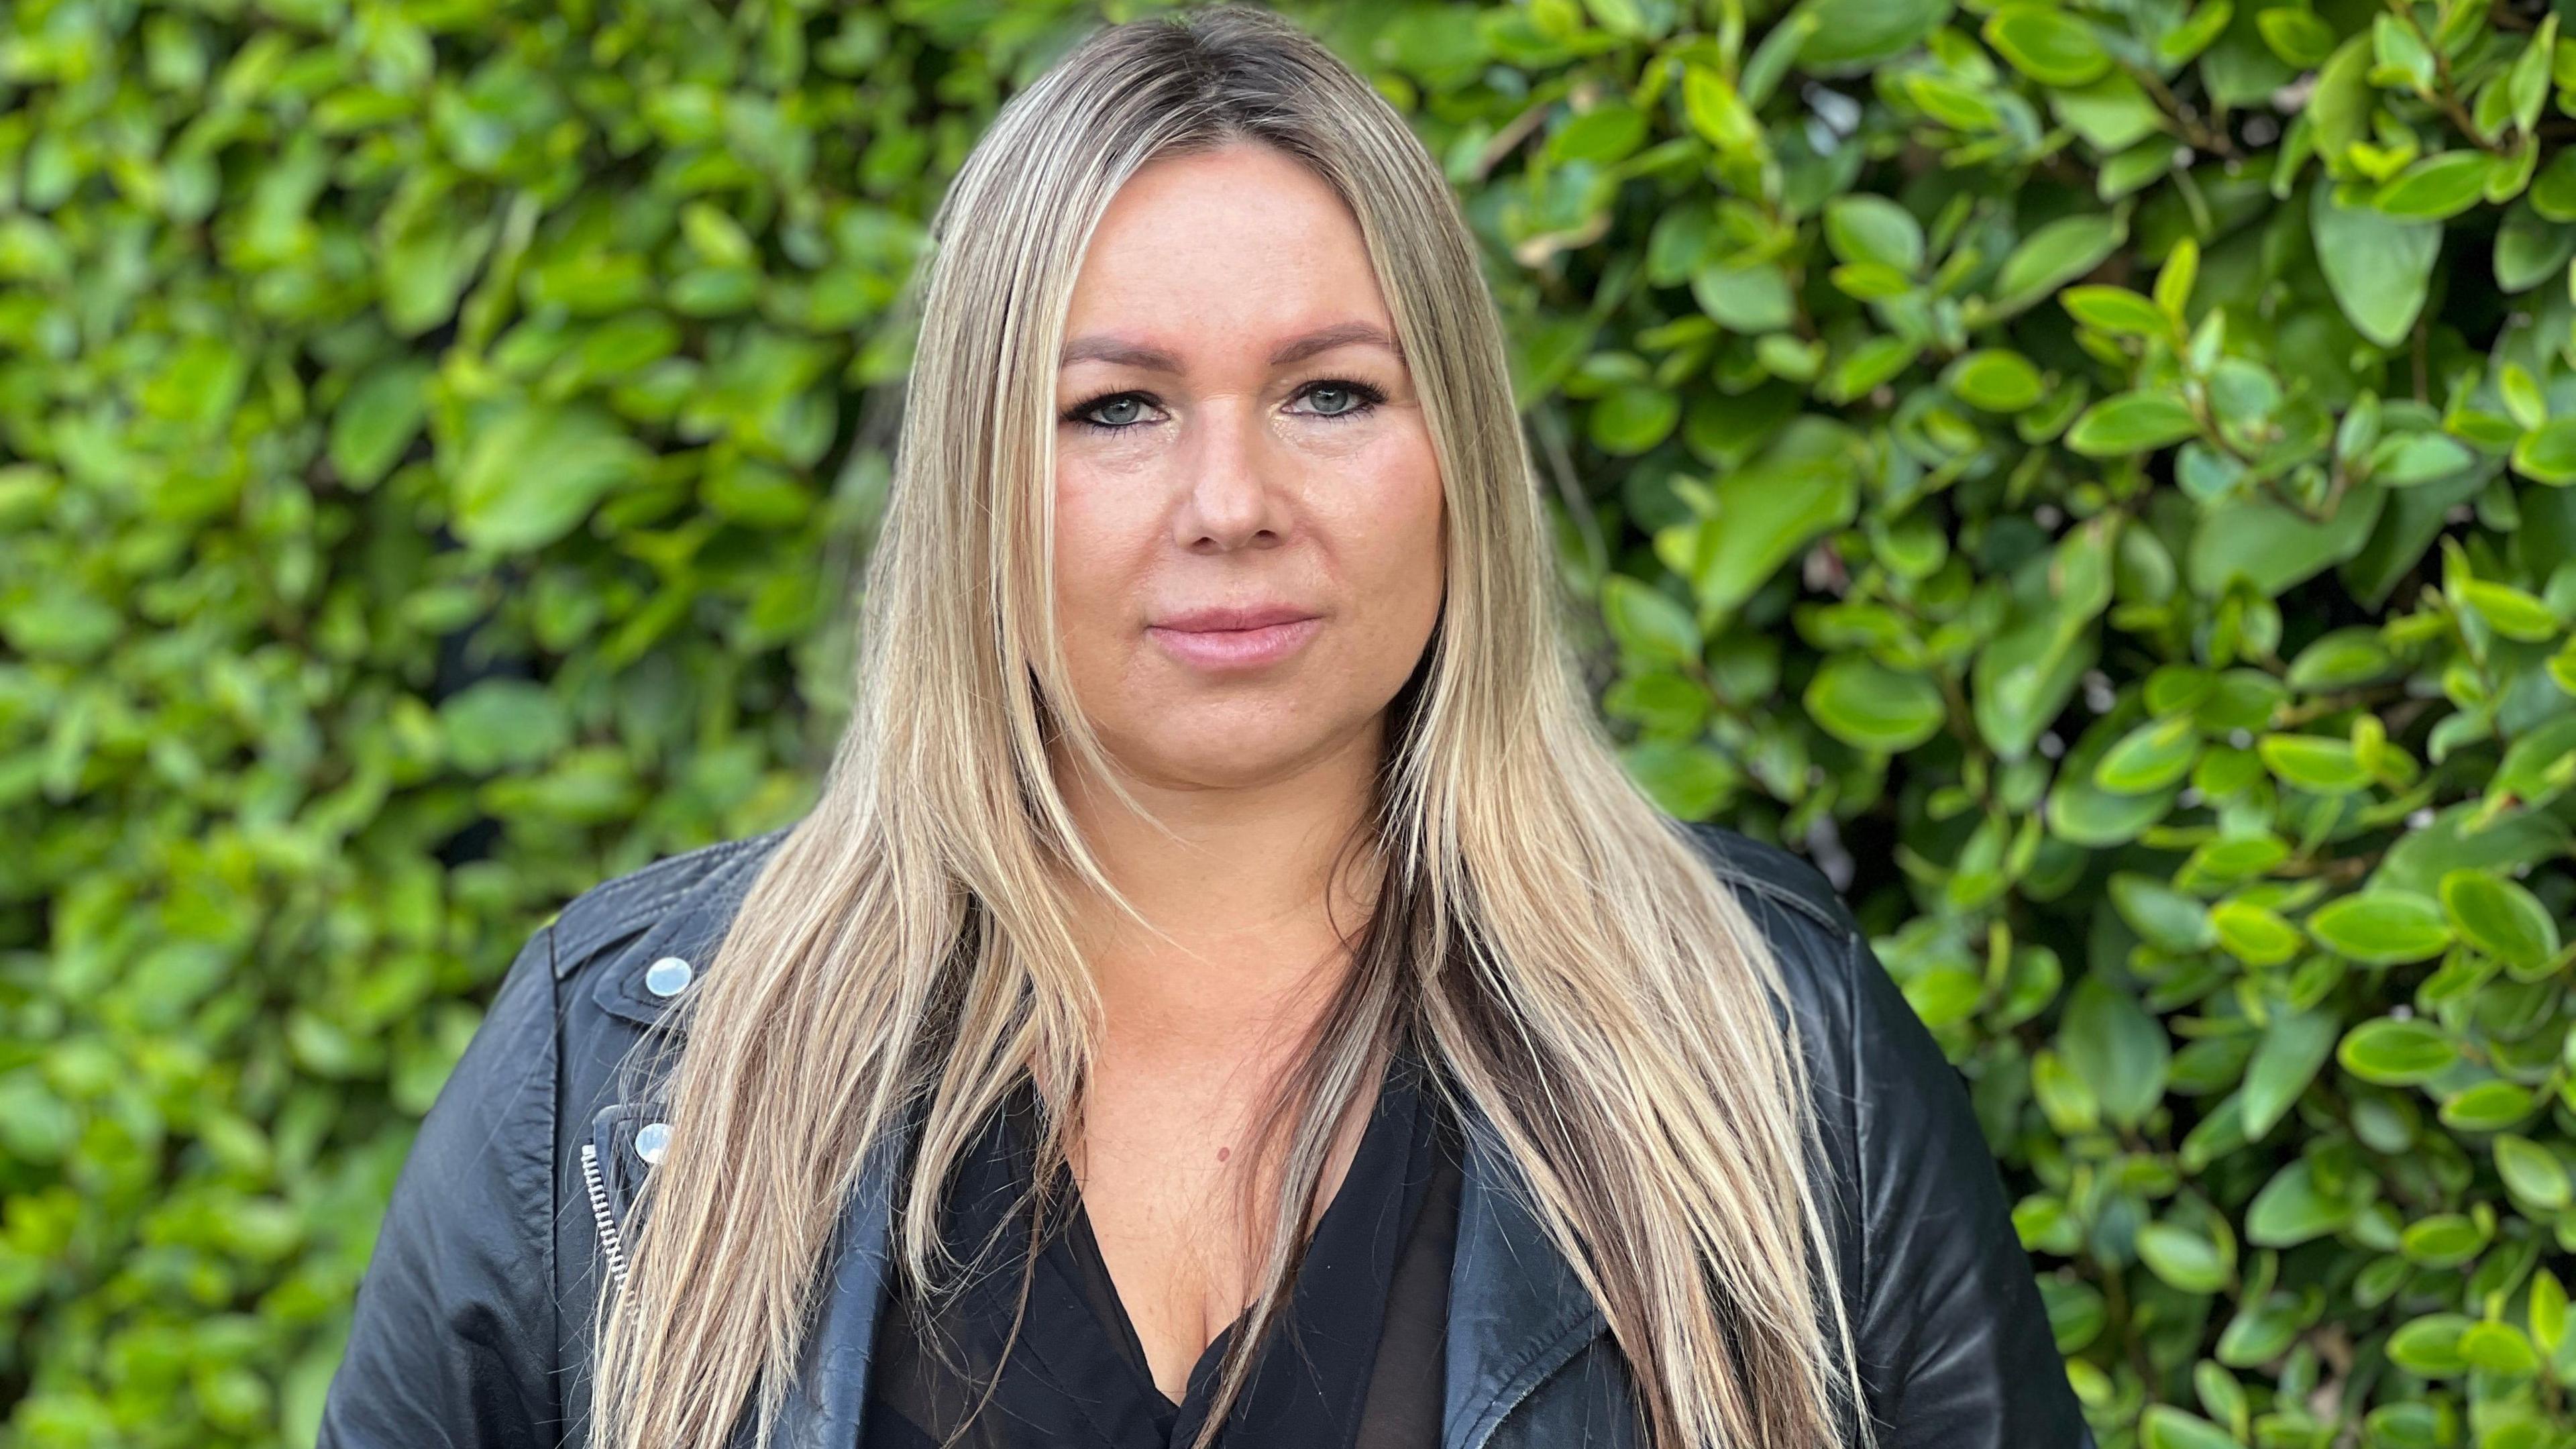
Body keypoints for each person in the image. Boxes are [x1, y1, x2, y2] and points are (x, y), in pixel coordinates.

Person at [315, 7, 2094, 1449]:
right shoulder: (628, 1077)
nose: (1232, 499)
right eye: (1116, 409)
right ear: (974, 491)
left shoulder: (1763, 1043)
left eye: (1331, 391)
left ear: (1457, 456)